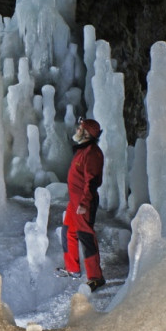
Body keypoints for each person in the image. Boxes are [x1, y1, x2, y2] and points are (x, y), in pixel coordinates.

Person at [55, 117, 106, 292]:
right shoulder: (82, 150)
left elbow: (91, 182)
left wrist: (84, 203)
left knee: (85, 236)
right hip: (74, 202)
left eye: (80, 128)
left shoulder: (92, 153)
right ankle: (73, 269)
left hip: (84, 202)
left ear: (86, 134)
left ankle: (96, 277)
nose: (77, 130)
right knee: (67, 232)